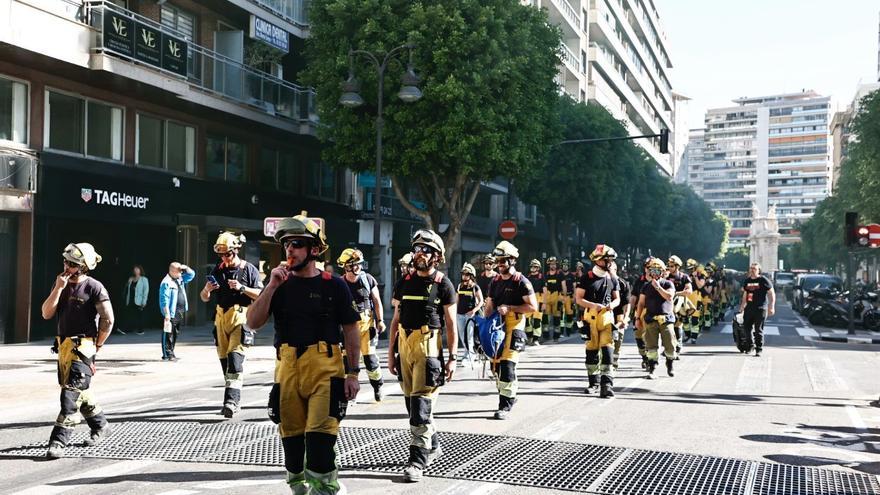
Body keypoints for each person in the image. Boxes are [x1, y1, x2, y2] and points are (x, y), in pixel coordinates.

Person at [247, 214, 361, 495]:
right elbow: (252, 322)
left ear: (313, 250)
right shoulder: (279, 285)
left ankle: (325, 490)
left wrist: (353, 373)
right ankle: (299, 488)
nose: (290, 250)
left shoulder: (334, 285)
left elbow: (351, 329)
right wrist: (271, 286)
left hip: (325, 368)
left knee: (320, 440)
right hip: (287, 368)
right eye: (286, 245)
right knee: (292, 442)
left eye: (297, 244)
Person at [388, 229, 457, 482]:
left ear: (436, 256)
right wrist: (391, 354)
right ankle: (434, 445)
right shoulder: (403, 282)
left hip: (429, 347)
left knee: (420, 407)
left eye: (426, 250)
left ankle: (417, 462)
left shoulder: (444, 285)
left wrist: (452, 358)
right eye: (417, 248)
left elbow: (451, 325)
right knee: (412, 405)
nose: (419, 253)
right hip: (405, 345)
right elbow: (395, 320)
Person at [41, 243, 114, 459]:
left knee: (70, 395)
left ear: (84, 267)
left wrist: (97, 347)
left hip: (84, 346)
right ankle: (101, 426)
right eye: (66, 261)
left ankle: (58, 441)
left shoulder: (94, 287)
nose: (67, 266)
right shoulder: (60, 284)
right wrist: (58, 288)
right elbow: (46, 313)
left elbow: (108, 320)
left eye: (72, 264)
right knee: (82, 392)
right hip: (63, 347)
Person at [199, 232, 263, 418]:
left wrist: (242, 288)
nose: (225, 258)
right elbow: (203, 298)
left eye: (228, 254)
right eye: (221, 255)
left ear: (236, 250)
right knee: (225, 363)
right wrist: (207, 290)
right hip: (220, 318)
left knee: (235, 361)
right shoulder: (217, 271)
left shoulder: (249, 270)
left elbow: (261, 295)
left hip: (241, 318)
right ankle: (233, 398)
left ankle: (231, 402)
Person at [484, 241, 537, 418]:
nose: (499, 264)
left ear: (512, 260)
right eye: (497, 261)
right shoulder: (495, 281)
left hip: (514, 325)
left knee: (507, 365)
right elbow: (490, 305)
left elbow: (532, 307)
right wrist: (483, 325)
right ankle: (510, 394)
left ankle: (504, 406)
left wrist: (511, 308)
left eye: (503, 261)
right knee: (496, 366)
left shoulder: (521, 282)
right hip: (496, 326)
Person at [337, 248, 387, 401]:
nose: (358, 267)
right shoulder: (340, 283)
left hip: (367, 326)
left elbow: (377, 301)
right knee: (347, 363)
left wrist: (380, 320)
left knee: (370, 361)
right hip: (347, 327)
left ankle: (378, 386)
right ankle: (349, 392)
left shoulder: (368, 279)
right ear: (346, 266)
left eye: (359, 264)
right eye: (354, 264)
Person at [575, 245, 620, 397]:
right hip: (590, 316)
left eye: (611, 260)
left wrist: (610, 306)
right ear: (598, 260)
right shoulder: (587, 277)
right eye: (608, 259)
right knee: (591, 352)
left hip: (607, 317)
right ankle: (593, 382)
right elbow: (578, 299)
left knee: (608, 351)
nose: (610, 262)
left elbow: (617, 299)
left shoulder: (612, 277)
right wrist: (593, 305)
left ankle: (606, 384)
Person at [636, 258, 677, 379]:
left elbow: (669, 296)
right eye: (652, 270)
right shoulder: (645, 286)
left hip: (666, 319)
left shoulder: (668, 283)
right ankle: (652, 368)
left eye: (658, 270)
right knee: (651, 346)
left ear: (663, 272)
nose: (654, 273)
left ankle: (670, 364)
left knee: (670, 344)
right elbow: (641, 303)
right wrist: (637, 318)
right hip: (650, 319)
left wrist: (658, 287)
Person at [158, 262, 195, 361]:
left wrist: (186, 267)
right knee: (168, 332)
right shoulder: (166, 282)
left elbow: (192, 275)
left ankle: (172, 352)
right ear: (172, 271)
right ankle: (167, 354)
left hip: (180, 311)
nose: (181, 273)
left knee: (175, 332)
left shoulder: (179, 278)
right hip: (171, 312)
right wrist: (166, 313)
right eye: (179, 271)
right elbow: (163, 299)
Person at [738, 262, 775, 357]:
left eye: (754, 268)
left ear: (759, 270)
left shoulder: (763, 280)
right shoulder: (747, 281)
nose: (752, 270)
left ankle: (759, 349)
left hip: (760, 308)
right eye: (751, 268)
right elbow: (745, 294)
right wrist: (742, 306)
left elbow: (771, 292)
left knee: (758, 330)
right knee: (746, 328)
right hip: (749, 308)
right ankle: (750, 346)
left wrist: (772, 306)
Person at [456, 262, 483, 366]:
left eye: (467, 274)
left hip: (470, 315)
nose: (464, 276)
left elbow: (481, 301)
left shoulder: (475, 287)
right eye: (463, 274)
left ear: (471, 275)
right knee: (462, 336)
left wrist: (473, 311)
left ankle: (470, 356)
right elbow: (456, 300)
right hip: (460, 315)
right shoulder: (459, 286)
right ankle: (468, 353)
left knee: (470, 336)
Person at [666, 255, 693, 357]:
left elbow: (689, 291)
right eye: (668, 265)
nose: (669, 267)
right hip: (667, 304)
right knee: (667, 327)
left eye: (672, 266)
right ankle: (669, 348)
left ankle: (678, 347)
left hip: (679, 305)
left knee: (677, 326)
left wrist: (676, 293)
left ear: (677, 266)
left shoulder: (684, 277)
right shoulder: (666, 276)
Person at [610, 261, 630, 370]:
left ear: (615, 270)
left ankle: (614, 361)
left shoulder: (623, 283)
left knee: (618, 340)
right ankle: (606, 362)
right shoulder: (602, 281)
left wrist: (626, 318)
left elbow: (627, 304)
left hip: (619, 316)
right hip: (604, 315)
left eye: (610, 269)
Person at [120, 265, 148, 335]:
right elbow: (127, 288)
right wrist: (128, 282)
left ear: (140, 270)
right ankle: (127, 329)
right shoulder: (131, 278)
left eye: (137, 269)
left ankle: (141, 330)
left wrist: (144, 301)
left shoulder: (144, 279)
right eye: (135, 269)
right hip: (131, 299)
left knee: (139, 315)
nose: (135, 270)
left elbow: (146, 291)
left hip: (139, 300)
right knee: (129, 315)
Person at [525, 259, 545, 346]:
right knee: (527, 320)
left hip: (538, 298)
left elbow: (545, 290)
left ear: (538, 268)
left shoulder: (541, 277)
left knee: (537, 320)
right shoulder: (527, 277)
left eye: (535, 267)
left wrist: (544, 302)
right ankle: (529, 337)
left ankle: (536, 339)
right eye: (532, 266)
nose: (533, 268)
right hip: (529, 298)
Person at [543, 257, 563, 341]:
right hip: (547, 296)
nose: (553, 265)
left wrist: (563, 297)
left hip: (557, 295)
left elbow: (563, 286)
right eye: (551, 264)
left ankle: (556, 336)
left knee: (556, 317)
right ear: (549, 265)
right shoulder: (546, 275)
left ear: (556, 265)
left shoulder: (559, 274)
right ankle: (546, 336)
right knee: (545, 317)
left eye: (554, 264)